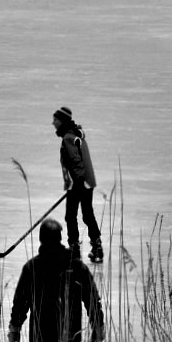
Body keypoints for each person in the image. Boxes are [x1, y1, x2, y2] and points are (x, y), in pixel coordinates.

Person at [8, 218, 105, 342]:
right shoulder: (76, 266)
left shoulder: (32, 267)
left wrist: (15, 329)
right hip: (68, 336)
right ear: (60, 238)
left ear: (41, 240)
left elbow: (20, 303)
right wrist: (98, 326)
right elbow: (92, 298)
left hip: (42, 339)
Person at [51, 107, 103, 261]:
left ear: (62, 121)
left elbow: (76, 162)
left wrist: (77, 183)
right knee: (87, 214)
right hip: (87, 183)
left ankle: (74, 250)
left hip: (79, 184)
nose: (53, 123)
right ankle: (97, 247)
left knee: (70, 216)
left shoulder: (68, 138)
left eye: (55, 120)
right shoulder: (75, 134)